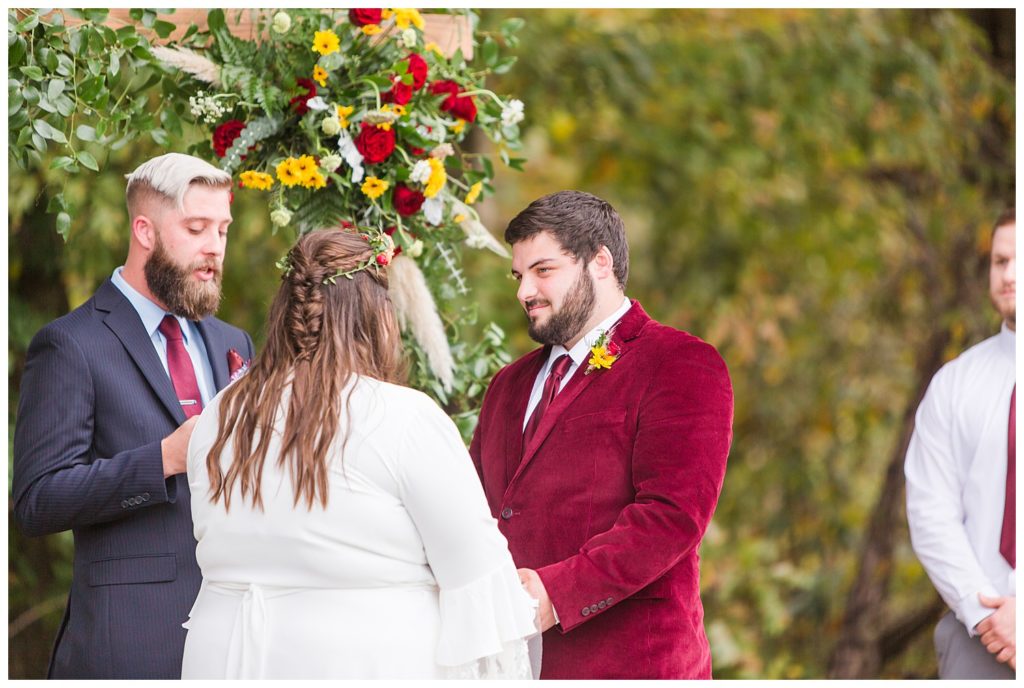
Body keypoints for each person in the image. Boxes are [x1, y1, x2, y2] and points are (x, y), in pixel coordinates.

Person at [181, 228, 539, 679]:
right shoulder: (404, 418)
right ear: (376, 318)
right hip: (359, 663)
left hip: (226, 661)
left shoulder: (219, 415)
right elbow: (478, 577)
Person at [469, 190, 734, 679]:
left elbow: (671, 517)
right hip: (508, 666)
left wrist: (556, 593)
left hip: (631, 663)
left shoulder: (679, 363)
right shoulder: (508, 385)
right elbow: (475, 510)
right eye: (518, 275)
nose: (524, 291)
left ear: (600, 262)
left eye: (542, 271)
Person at [12, 153, 255, 679]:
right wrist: (163, 459)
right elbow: (36, 501)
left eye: (222, 229)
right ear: (144, 231)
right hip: (128, 642)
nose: (215, 246)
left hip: (239, 640)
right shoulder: (71, 344)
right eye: (196, 228)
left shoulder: (233, 342)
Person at [905, 208, 1016, 679]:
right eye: (999, 261)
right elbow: (930, 511)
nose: (1008, 275)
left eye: (1019, 260)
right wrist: (987, 614)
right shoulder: (954, 384)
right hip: (979, 641)